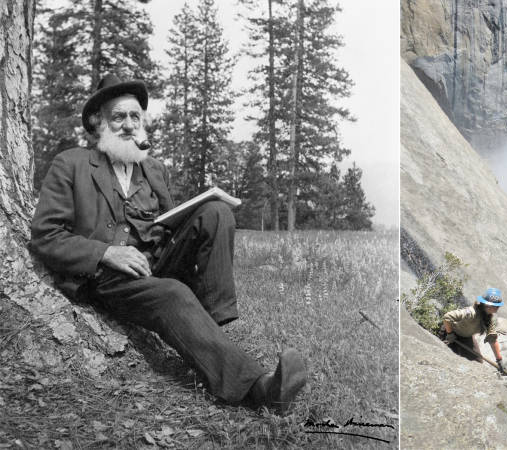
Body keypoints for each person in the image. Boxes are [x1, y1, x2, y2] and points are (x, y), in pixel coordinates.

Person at [30, 74, 306, 413]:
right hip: (107, 279)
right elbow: (46, 235)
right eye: (119, 116)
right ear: (99, 121)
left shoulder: (154, 170)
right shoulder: (71, 164)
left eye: (135, 116)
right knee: (172, 293)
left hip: (153, 265)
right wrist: (106, 252)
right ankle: (261, 390)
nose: (129, 125)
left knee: (216, 212)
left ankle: (211, 323)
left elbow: (168, 222)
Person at [441, 288, 506, 373]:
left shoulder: (490, 319)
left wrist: (499, 360)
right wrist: (450, 334)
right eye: (497, 306)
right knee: (448, 359)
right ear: (488, 305)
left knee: (477, 363)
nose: (498, 308)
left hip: (466, 337)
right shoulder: (471, 313)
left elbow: (492, 339)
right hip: (450, 333)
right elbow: (447, 317)